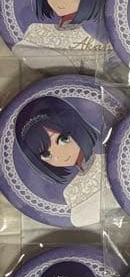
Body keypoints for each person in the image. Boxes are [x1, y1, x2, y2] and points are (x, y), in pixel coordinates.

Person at [15, 96, 110, 227]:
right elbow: (80, 221)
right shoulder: (70, 193)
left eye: (63, 139)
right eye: (46, 154)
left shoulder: (108, 164)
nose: (60, 155)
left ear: (75, 128)